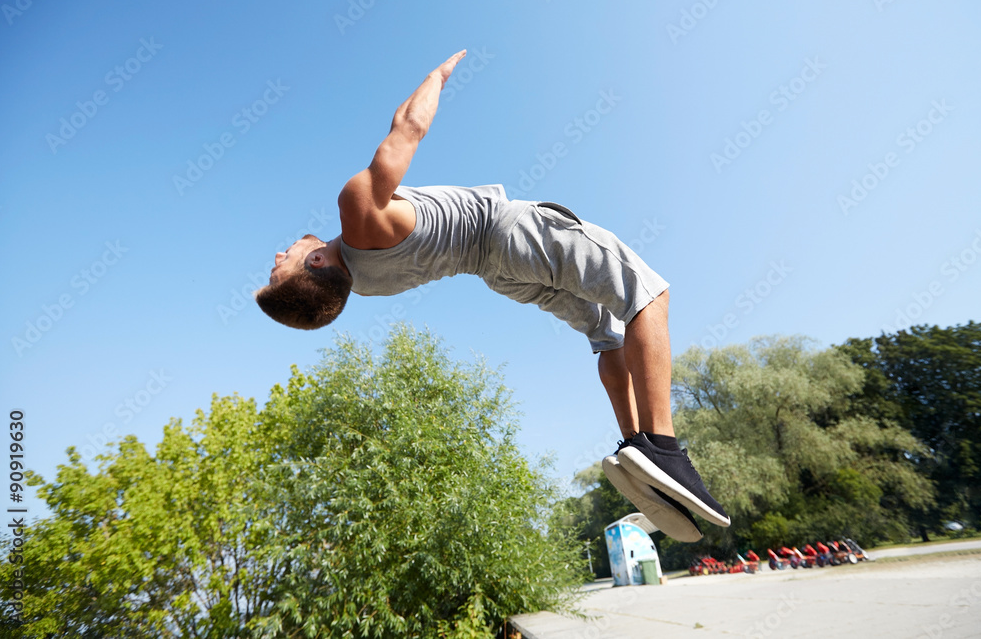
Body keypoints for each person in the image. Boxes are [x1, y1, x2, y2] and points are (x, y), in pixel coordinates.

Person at [254, 51, 729, 540]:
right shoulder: (358, 212)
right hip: (508, 234)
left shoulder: (368, 285)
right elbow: (409, 126)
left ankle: (634, 444)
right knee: (646, 294)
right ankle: (663, 446)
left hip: (499, 275)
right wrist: (437, 76)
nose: (277, 255)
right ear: (313, 264)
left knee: (606, 334)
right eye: (278, 269)